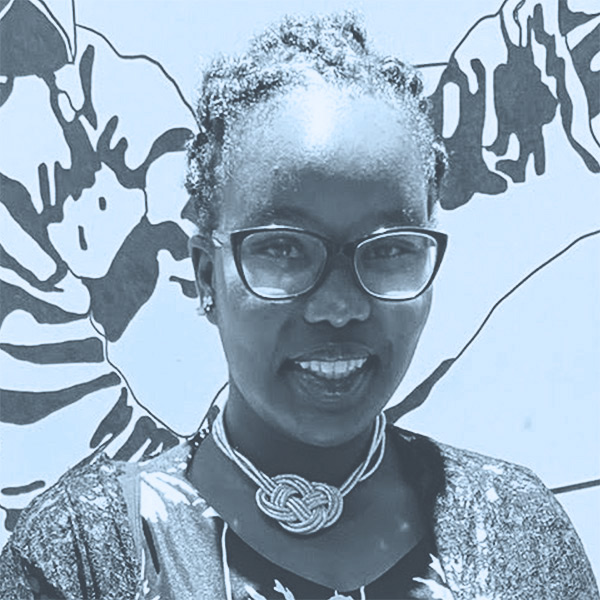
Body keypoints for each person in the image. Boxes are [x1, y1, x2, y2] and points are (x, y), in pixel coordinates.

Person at [0, 12, 597, 600]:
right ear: (207, 276)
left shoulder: (513, 535)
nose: (338, 307)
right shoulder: (86, 555)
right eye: (284, 249)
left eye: (388, 250)